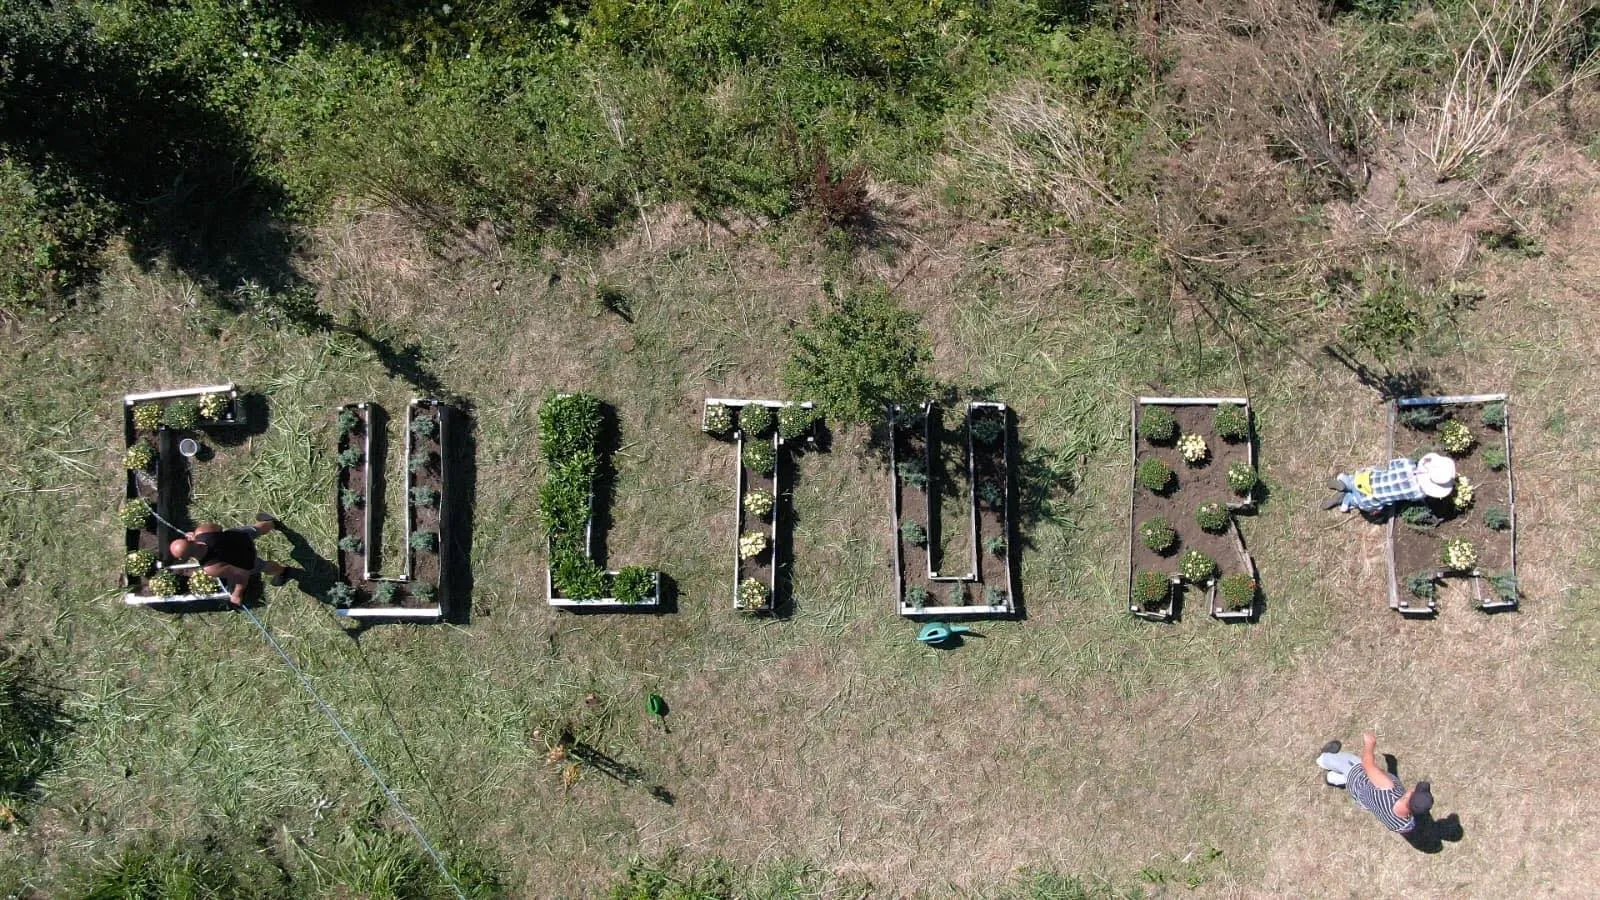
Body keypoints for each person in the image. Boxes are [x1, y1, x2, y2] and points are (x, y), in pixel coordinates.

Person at [1316, 732, 1433, 835]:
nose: (1413, 788)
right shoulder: (1405, 824)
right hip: (1364, 800)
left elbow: (1367, 764)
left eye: (1415, 790)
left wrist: (1370, 744)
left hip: (1359, 778)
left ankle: (1323, 758)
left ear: (1407, 797)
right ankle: (1331, 778)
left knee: (1347, 762)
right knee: (1346, 779)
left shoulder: (1387, 789)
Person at [169, 513, 291, 606]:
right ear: (188, 540)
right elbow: (219, 527)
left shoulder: (211, 567)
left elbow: (242, 575)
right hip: (241, 537)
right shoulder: (202, 531)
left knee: (263, 566)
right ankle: (271, 523)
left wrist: (237, 594)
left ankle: (282, 572)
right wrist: (195, 536)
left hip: (247, 560)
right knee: (256, 529)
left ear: (187, 558)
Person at [1322, 453, 1456, 513]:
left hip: (1365, 480)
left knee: (1362, 478)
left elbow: (1391, 465)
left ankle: (1345, 484)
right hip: (1368, 499)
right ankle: (1345, 500)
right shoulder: (1419, 493)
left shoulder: (1407, 464)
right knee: (1362, 501)